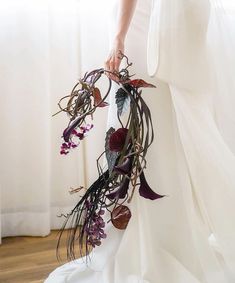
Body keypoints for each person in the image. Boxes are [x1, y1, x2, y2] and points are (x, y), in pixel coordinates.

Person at [45, 0, 235, 282]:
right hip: (160, 29)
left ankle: (148, 248)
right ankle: (168, 240)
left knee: (141, 139)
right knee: (155, 138)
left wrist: (118, 37)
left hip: (139, 28)